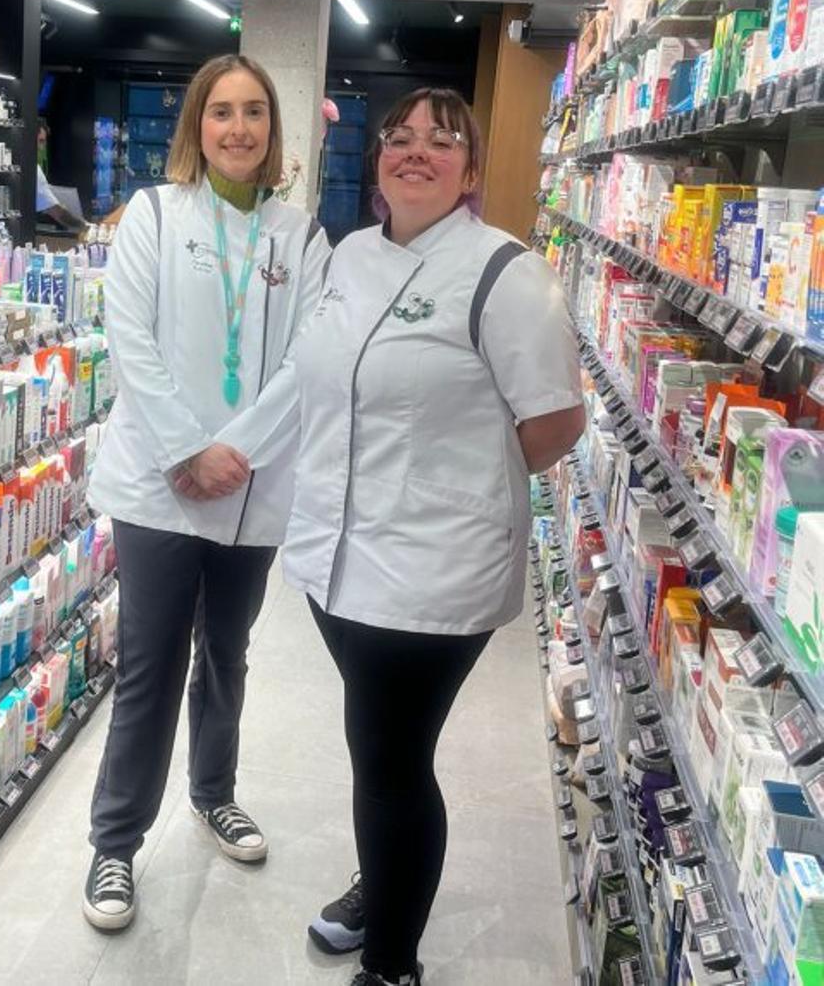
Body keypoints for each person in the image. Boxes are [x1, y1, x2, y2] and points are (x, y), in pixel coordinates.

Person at [282, 87, 584, 986]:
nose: (417, 151)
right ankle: (387, 877)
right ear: (377, 162)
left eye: (442, 140)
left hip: (430, 570)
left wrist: (456, 479)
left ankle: (392, 963)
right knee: (384, 753)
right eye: (399, 138)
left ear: (472, 169)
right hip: (334, 558)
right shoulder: (348, 257)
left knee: (390, 763)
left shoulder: (505, 273)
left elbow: (555, 424)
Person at [82, 54, 331, 932]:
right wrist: (189, 449)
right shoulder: (154, 214)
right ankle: (113, 847)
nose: (238, 128)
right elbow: (130, 341)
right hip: (158, 487)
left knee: (227, 652)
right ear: (197, 125)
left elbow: (311, 359)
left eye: (254, 112)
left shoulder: (301, 237)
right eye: (221, 111)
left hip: (250, 492)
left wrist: (239, 451)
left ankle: (212, 792)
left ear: (273, 130)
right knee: (150, 664)